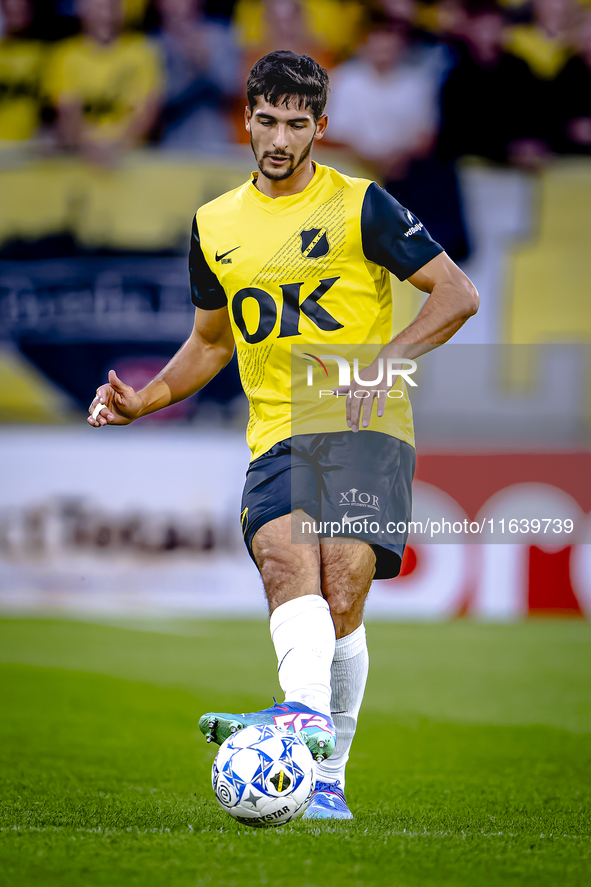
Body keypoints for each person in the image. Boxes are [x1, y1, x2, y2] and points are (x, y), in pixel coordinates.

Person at [88, 50, 478, 819]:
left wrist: (385, 361)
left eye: (296, 123)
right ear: (247, 119)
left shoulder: (362, 205)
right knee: (281, 554)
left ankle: (326, 776)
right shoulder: (214, 225)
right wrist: (150, 399)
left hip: (367, 426)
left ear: (320, 128)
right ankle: (304, 728)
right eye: (266, 119)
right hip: (276, 428)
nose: (278, 136)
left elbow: (455, 293)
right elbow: (211, 341)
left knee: (341, 595)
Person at [45, 0, 162, 166]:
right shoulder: (64, 56)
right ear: (83, 12)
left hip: (132, 164)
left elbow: (146, 114)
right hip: (81, 163)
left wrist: (116, 148)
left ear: (123, 12)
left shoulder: (143, 53)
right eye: (98, 8)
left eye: (112, 8)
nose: (106, 16)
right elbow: (68, 115)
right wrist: (92, 148)